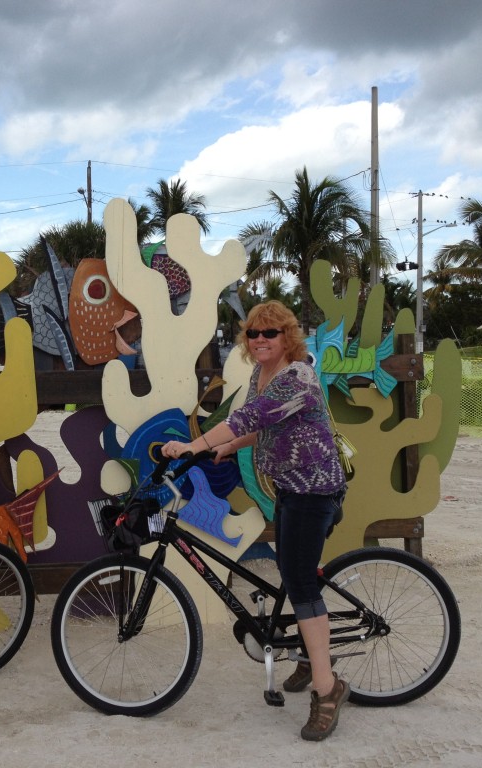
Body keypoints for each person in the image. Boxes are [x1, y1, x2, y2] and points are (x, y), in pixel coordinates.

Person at [162, 300, 349, 741]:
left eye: (271, 333)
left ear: (288, 337)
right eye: (253, 333)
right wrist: (227, 447)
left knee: (300, 584)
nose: (260, 340)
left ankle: (327, 689)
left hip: (313, 488)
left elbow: (247, 415)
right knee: (293, 573)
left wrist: (194, 446)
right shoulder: (261, 374)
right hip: (287, 487)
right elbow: (262, 424)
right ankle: (309, 656)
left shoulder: (297, 374)